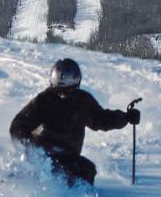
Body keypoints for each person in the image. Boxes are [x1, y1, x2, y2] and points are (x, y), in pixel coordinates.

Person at [9, 58, 140, 186]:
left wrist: (126, 117)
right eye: (59, 89)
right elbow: (19, 125)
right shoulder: (44, 100)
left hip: (67, 156)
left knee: (85, 169)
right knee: (84, 169)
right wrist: (30, 149)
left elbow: (101, 119)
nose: (63, 94)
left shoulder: (82, 101)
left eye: (67, 90)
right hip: (43, 155)